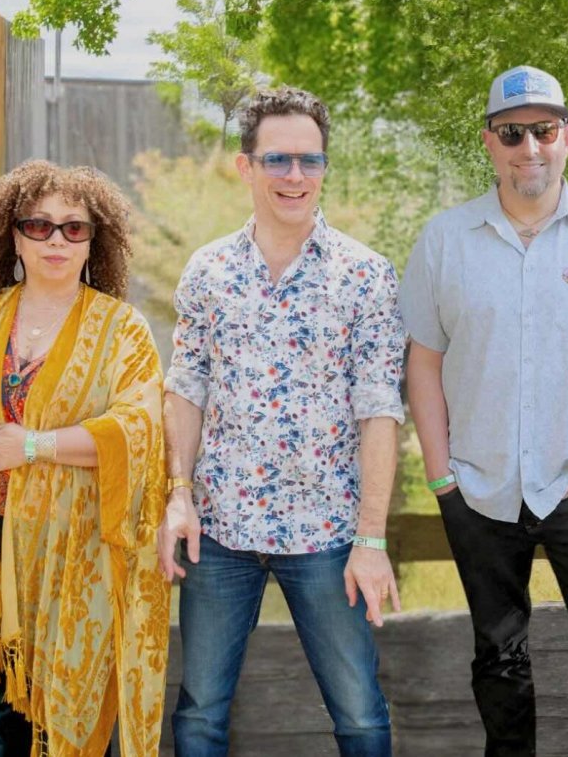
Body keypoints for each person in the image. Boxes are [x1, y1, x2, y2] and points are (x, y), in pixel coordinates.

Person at [400, 65, 568, 757]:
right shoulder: (444, 241)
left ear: (567, 137)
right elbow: (423, 362)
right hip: (480, 488)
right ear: (489, 142)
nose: (530, 147)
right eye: (512, 132)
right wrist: (441, 475)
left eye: (544, 131)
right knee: (499, 662)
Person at [0, 160, 169, 756]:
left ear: (95, 241)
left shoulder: (122, 330)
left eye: (74, 227)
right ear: (11, 236)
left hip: (76, 549)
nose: (56, 240)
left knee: (70, 701)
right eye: (38, 225)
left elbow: (139, 428)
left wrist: (34, 445)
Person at [157, 87, 405, 756]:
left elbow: (380, 409)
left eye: (309, 160)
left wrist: (371, 538)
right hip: (221, 530)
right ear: (246, 166)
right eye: (277, 159)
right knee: (199, 714)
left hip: (327, 532)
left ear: (324, 167)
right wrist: (179, 495)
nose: (295, 175)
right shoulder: (209, 271)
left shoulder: (366, 275)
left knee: (360, 715)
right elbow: (185, 387)